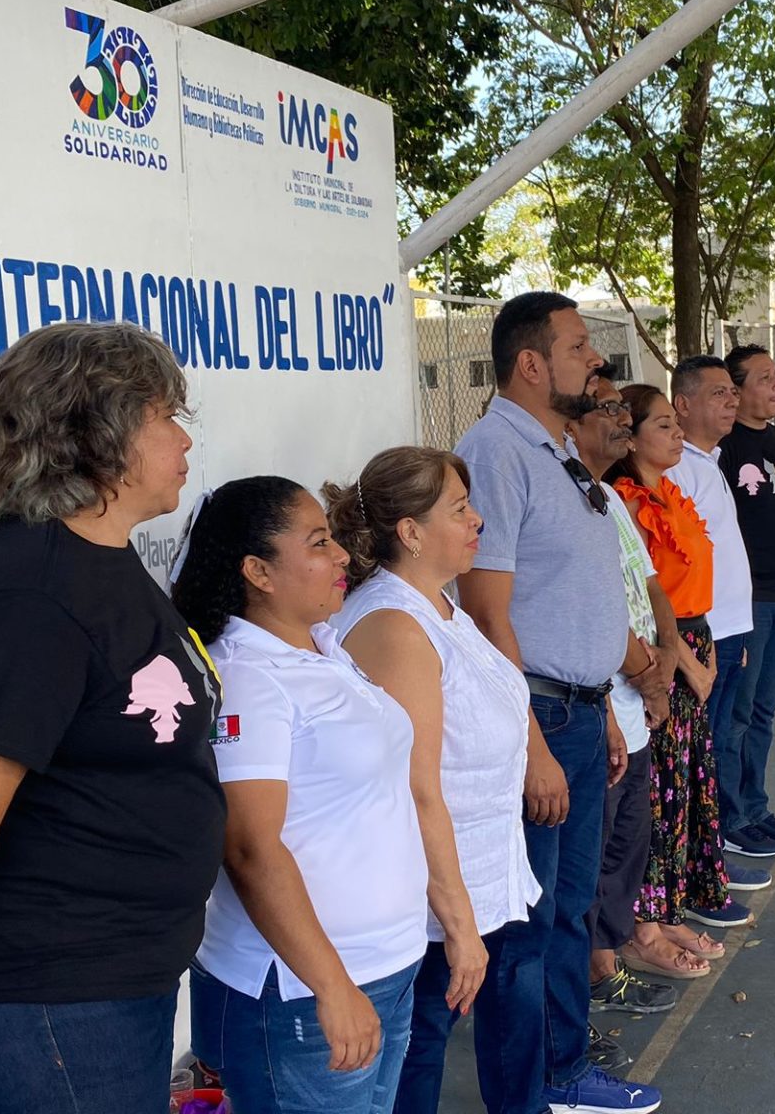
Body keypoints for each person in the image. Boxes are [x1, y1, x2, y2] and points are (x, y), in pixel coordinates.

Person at [0, 324, 225, 1114]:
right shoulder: (32, 594)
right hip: (54, 1000)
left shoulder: (100, 559)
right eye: (165, 414)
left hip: (106, 987)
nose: (182, 436)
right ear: (102, 433)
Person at [453, 290, 660, 1114]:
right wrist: (531, 742)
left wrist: (602, 705)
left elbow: (574, 600)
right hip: (536, 718)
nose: (596, 362)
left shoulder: (556, 451)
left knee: (568, 911)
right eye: (580, 347)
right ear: (532, 364)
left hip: (577, 710)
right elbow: (488, 609)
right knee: (527, 929)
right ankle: (524, 1095)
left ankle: (565, 1075)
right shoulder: (496, 452)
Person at [171, 477, 429, 1114]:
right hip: (300, 993)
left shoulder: (323, 649)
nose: (342, 555)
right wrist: (331, 985)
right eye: (319, 543)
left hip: (383, 968)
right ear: (258, 571)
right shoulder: (247, 675)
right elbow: (250, 849)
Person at [316, 447, 540, 1114]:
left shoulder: (436, 606)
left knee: (427, 1047)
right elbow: (416, 790)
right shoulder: (395, 624)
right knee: (415, 1058)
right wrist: (459, 923)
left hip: (474, 875)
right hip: (430, 904)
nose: (478, 521)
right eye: (460, 509)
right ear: (410, 532)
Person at [569, 372, 708, 989]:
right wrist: (654, 673)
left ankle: (616, 948)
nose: (619, 422)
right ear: (572, 427)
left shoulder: (604, 501)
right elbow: (592, 606)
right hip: (605, 702)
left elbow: (651, 587)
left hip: (637, 705)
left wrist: (668, 653)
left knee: (629, 842)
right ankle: (599, 970)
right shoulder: (582, 498)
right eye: (607, 411)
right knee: (591, 857)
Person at [606, 382, 754, 962]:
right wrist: (680, 658)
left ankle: (666, 909)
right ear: (633, 437)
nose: (675, 435)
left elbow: (686, 587)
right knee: (657, 792)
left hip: (691, 637)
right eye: (663, 425)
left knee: (685, 783)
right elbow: (638, 596)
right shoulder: (627, 501)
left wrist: (701, 643)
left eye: (674, 423)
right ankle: (644, 921)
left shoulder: (671, 493)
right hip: (658, 654)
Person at [667, 356, 775, 863]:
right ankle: (705, 852)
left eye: (731, 392)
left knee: (723, 739)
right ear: (683, 404)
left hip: (735, 628)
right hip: (706, 634)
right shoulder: (679, 470)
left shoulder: (709, 463)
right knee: (704, 747)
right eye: (718, 392)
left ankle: (716, 841)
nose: (731, 399)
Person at [718, 345, 775, 857]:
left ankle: (756, 807)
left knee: (764, 713)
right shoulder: (726, 448)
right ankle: (730, 817)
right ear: (737, 390)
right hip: (746, 603)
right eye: (764, 378)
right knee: (736, 715)